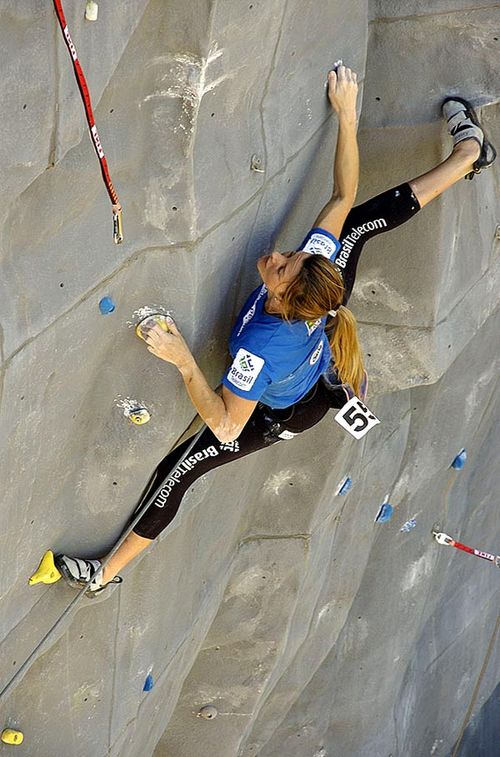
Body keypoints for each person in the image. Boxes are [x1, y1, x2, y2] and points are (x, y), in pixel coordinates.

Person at [52, 74, 495, 594]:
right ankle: (469, 154)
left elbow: (222, 424)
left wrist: (183, 359)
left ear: (282, 300)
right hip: (315, 338)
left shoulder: (258, 348)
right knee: (356, 223)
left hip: (284, 409)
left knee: (183, 465)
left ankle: (104, 574)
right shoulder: (315, 270)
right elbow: (343, 193)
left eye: (281, 267)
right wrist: (347, 116)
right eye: (293, 255)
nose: (279, 256)